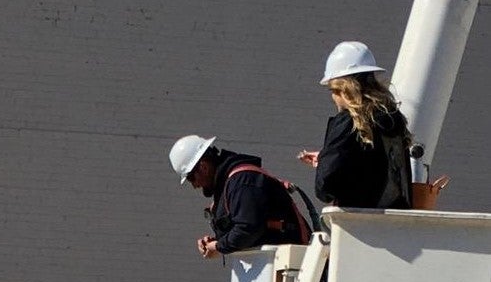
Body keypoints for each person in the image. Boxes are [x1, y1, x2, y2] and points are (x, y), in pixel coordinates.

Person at [297, 41, 413, 209]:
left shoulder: (348, 121)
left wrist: (326, 161)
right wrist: (326, 157)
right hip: (395, 223)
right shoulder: (394, 119)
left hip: (357, 225)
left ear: (341, 88)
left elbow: (326, 186)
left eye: (332, 91)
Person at [169, 134, 310, 260]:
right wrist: (216, 241)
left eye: (191, 178)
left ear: (204, 167)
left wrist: (218, 246)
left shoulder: (242, 182)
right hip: (273, 264)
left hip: (292, 265)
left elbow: (248, 228)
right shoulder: (231, 184)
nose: (195, 185)